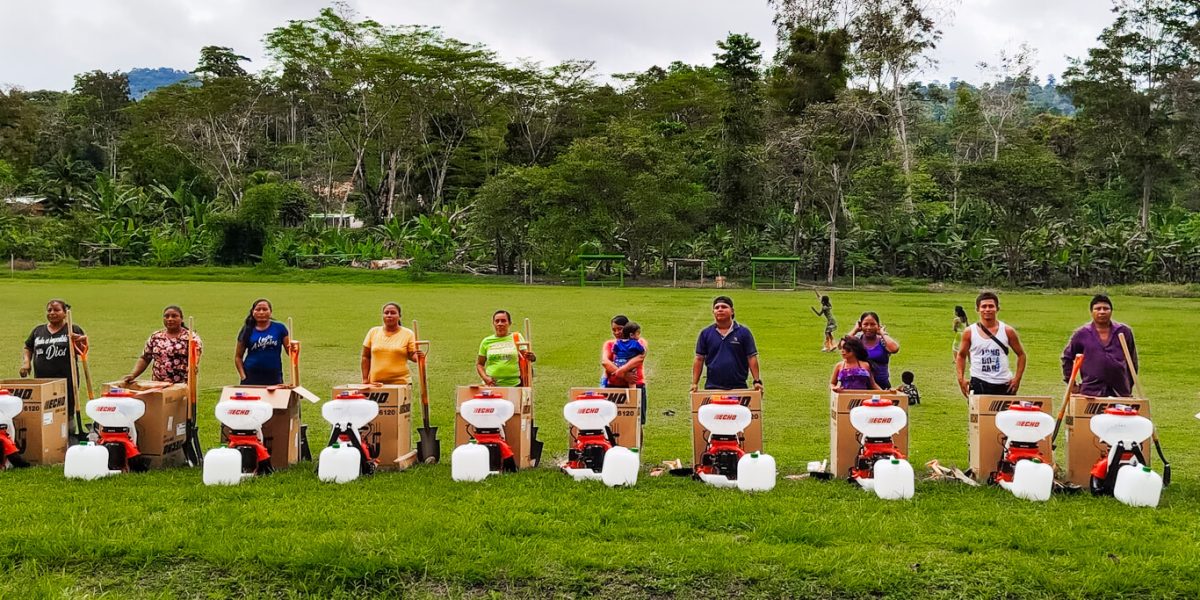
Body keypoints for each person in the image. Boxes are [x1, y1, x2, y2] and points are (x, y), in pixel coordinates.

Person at [21, 299, 87, 435]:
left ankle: (68, 437)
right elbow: (28, 347)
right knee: (45, 411)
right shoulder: (38, 331)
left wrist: (80, 341)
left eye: (56, 310)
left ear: (65, 313)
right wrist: (26, 363)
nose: (52, 313)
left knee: (66, 411)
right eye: (49, 310)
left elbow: (82, 351)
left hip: (66, 381)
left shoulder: (72, 329)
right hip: (42, 381)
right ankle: (48, 439)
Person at [1061, 294, 1137, 397]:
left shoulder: (1124, 332)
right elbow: (1067, 358)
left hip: (1119, 391)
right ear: (1092, 312)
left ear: (1111, 311)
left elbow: (1132, 362)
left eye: (1106, 308)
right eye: (1098, 309)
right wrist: (1072, 384)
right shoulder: (1082, 333)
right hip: (1091, 391)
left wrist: (1128, 385)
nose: (1102, 312)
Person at [956, 291, 1027, 397]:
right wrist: (960, 378)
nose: (987, 309)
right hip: (979, 383)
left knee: (1004, 414)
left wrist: (1017, 378)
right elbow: (961, 355)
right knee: (980, 414)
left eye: (991, 306)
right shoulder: (969, 332)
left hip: (1003, 384)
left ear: (997, 309)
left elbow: (1021, 355)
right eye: (984, 306)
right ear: (977, 309)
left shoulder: (1008, 331)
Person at [691, 296, 762, 392]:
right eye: (717, 308)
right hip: (712, 387)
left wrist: (757, 381)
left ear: (732, 311)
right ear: (713, 312)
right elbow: (699, 359)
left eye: (724, 307)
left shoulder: (743, 332)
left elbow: (751, 357)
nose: (720, 309)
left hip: (739, 387)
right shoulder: (705, 333)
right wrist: (694, 383)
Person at [123, 305, 203, 385]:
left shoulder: (190, 337)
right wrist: (133, 375)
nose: (170, 319)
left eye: (174, 316)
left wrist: (193, 366)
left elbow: (196, 356)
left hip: (181, 386)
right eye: (166, 316)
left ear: (181, 319)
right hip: (158, 386)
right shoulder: (156, 337)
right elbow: (145, 358)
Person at [601, 316, 649, 424]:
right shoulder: (610, 344)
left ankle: (637, 441)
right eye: (614, 330)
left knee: (636, 422)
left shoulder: (639, 341)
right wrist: (624, 374)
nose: (617, 332)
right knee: (612, 422)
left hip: (636, 384)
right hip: (613, 387)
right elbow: (605, 362)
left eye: (620, 329)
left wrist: (620, 371)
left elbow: (640, 358)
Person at [234, 298, 293, 386]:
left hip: (274, 376)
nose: (261, 312)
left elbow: (291, 353)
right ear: (253, 312)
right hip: (250, 376)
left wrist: (294, 348)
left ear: (270, 311)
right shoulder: (247, 330)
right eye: (258, 309)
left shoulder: (280, 328)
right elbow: (238, 357)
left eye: (265, 309)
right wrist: (243, 376)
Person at [361, 302, 422, 385]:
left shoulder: (408, 333)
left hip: (401, 383)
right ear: (382, 315)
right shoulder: (373, 332)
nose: (389, 315)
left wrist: (419, 357)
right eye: (386, 313)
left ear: (399, 316)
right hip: (376, 383)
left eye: (393, 313)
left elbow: (412, 355)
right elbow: (365, 357)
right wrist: (365, 379)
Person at [476, 310, 536, 387]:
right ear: (493, 324)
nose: (500, 324)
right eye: (497, 321)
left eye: (503, 321)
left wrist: (532, 357)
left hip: (514, 385)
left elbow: (527, 358)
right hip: (492, 385)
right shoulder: (486, 341)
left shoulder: (517, 337)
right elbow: (479, 364)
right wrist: (485, 378)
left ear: (509, 323)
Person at [849, 312, 900, 389]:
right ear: (860, 325)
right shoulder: (857, 340)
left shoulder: (883, 341)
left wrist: (883, 334)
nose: (869, 327)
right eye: (865, 324)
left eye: (872, 324)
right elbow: (842, 345)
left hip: (881, 385)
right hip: (860, 385)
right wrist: (855, 330)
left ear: (878, 326)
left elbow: (894, 349)